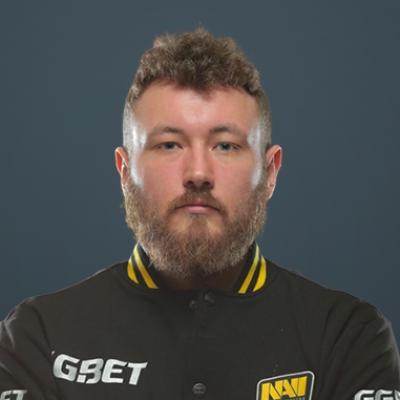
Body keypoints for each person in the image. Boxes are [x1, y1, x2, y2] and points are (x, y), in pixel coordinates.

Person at [0, 28, 399, 400]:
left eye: (225, 146)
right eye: (169, 145)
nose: (198, 173)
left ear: (270, 173)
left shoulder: (346, 336)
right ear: (124, 172)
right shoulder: (39, 335)